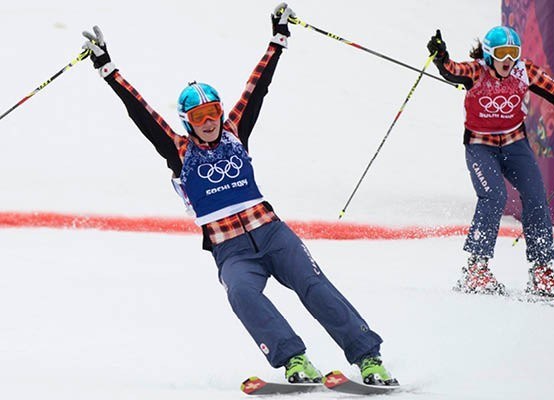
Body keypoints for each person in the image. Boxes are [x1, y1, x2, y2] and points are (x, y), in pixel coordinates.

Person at [80, 3, 398, 387]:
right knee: (241, 294)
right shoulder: (179, 151)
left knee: (313, 285)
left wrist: (277, 40)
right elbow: (142, 112)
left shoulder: (234, 132)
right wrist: (109, 71)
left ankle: (368, 358)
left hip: (272, 234)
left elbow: (256, 86)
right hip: (230, 249)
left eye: (212, 111)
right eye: (198, 116)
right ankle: (295, 360)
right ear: (187, 122)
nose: (209, 120)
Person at [426, 27, 554, 298]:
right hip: (480, 146)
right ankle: (476, 268)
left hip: (514, 144)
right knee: (493, 195)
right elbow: (452, 70)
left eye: (513, 53)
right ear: (488, 55)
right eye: (501, 54)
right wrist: (441, 56)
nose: (508, 60)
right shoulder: (476, 71)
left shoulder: (524, 72)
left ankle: (541, 270)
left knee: (535, 196)